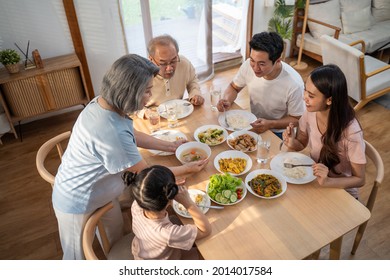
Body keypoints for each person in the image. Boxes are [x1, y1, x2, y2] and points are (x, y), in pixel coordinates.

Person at [52, 54, 208, 260]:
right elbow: (147, 174)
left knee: (114, 239)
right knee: (74, 258)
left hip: (104, 191)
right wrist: (188, 168)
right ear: (128, 92)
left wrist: (170, 146)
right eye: (147, 91)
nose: (150, 96)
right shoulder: (109, 131)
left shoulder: (104, 103)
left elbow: (130, 134)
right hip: (78, 198)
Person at [282, 64, 366, 199]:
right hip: (314, 179)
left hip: (342, 191)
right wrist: (292, 143)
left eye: (311, 95)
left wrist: (328, 181)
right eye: (305, 91)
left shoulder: (351, 133)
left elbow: (360, 179)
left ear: (329, 100)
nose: (304, 97)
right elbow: (302, 143)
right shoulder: (310, 112)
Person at [217, 32, 305, 139]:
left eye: (262, 64)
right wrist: (227, 100)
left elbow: (297, 119)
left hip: (279, 132)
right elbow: (234, 87)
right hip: (253, 123)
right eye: (253, 61)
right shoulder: (248, 65)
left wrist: (270, 124)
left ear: (277, 61)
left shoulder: (294, 84)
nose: (255, 68)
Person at [122, 165, 211, 260]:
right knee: (201, 253)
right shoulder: (168, 233)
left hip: (143, 249)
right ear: (170, 198)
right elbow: (205, 230)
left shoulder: (137, 204)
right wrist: (188, 203)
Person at [145, 34, 204, 108]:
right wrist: (145, 113)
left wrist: (195, 94)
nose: (169, 68)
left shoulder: (183, 63)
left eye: (173, 61)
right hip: (153, 116)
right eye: (163, 63)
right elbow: (131, 106)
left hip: (178, 112)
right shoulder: (140, 73)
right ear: (151, 59)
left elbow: (192, 80)